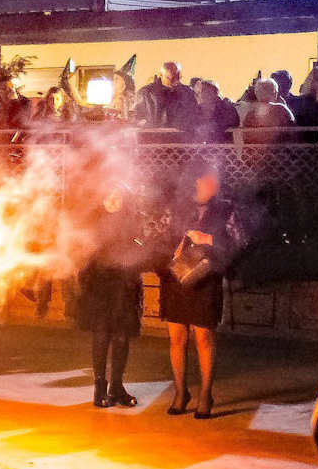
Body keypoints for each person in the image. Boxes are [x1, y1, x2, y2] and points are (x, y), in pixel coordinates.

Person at [160, 169, 238, 418]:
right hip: (177, 278)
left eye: (216, 179)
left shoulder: (226, 209)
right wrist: (173, 247)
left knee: (203, 337)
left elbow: (237, 244)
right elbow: (160, 237)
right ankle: (181, 392)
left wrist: (209, 239)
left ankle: (206, 394)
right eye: (209, 179)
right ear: (197, 180)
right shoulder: (178, 206)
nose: (213, 183)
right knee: (176, 338)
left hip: (206, 279)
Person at [75, 183, 148, 408]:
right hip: (100, 284)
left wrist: (137, 246)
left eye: (118, 195)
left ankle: (117, 386)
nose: (114, 199)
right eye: (109, 194)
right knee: (102, 334)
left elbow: (140, 244)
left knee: (121, 335)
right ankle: (99, 388)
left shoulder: (130, 219)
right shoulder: (93, 220)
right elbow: (83, 251)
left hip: (124, 283)